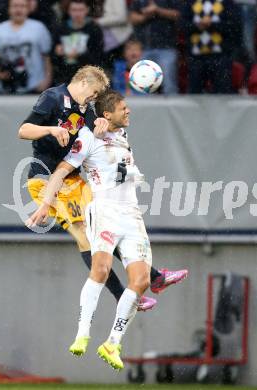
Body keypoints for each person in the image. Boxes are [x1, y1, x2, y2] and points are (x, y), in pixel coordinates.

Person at [26, 90, 189, 370]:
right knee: (99, 271)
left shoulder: (123, 137)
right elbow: (61, 171)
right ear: (106, 115)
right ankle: (82, 334)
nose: (128, 111)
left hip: (132, 216)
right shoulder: (89, 138)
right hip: (103, 211)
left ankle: (112, 343)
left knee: (140, 282)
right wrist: (44, 205)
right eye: (123, 108)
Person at [0, 0, 52, 94]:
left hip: (35, 86)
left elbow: (46, 57)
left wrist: (46, 81)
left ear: (28, 9)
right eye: (15, 6)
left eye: (22, 6)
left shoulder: (39, 28)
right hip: (4, 87)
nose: (18, 9)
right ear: (8, 9)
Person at [181, 0, 240, 93]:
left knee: (222, 92)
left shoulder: (226, 3)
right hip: (196, 58)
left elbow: (234, 26)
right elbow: (183, 25)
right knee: (194, 94)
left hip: (221, 57)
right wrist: (198, 26)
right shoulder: (191, 3)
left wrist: (211, 25)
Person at [129, 0, 181, 95]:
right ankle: (144, 109)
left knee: (169, 83)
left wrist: (158, 10)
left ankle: (174, 108)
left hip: (167, 47)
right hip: (144, 48)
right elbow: (132, 18)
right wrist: (146, 16)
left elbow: (178, 15)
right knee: (142, 84)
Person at [52, 0, 104, 84]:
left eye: (80, 10)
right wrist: (56, 52)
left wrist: (80, 55)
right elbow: (52, 56)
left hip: (88, 76)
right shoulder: (61, 29)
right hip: (64, 75)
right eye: (74, 10)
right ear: (68, 11)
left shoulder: (94, 29)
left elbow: (98, 56)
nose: (77, 14)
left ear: (87, 10)